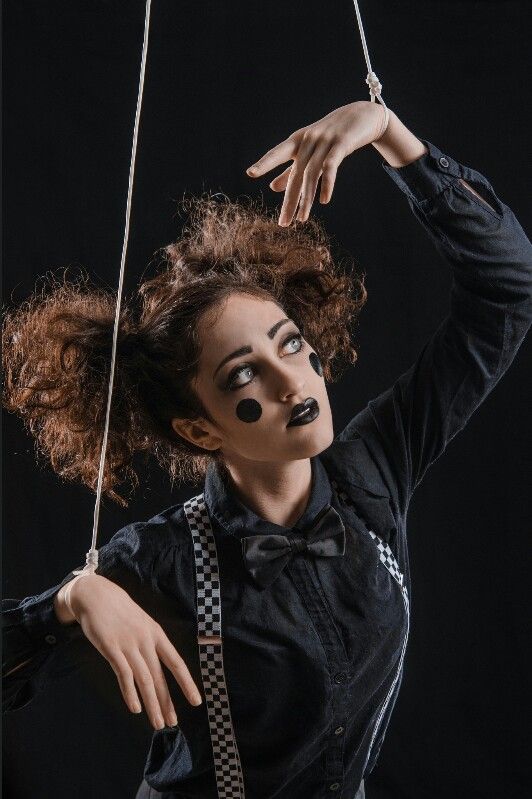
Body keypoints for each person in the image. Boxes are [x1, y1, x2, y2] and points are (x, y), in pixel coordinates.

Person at [3, 100, 531, 799]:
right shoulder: (160, 561)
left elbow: (508, 292)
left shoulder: (374, 467)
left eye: (290, 344)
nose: (294, 380)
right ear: (199, 429)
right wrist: (69, 599)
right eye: (244, 374)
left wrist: (394, 137)